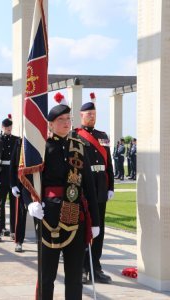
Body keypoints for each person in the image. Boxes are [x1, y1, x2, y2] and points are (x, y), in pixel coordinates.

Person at [27, 93, 100, 300]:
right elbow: (26, 178)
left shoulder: (79, 147)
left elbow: (89, 187)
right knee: (47, 275)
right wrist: (29, 202)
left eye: (69, 119)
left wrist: (95, 221)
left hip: (76, 216)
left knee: (74, 275)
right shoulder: (41, 148)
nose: (67, 123)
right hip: (48, 215)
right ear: (50, 124)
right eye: (61, 120)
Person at [75, 92, 115, 284]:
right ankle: (83, 267)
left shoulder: (103, 136)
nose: (92, 116)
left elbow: (109, 164)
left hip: (100, 189)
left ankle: (95, 267)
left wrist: (111, 186)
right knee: (85, 229)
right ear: (81, 115)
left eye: (94, 113)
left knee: (100, 230)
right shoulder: (76, 136)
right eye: (88, 113)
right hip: (84, 190)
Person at [0, 114, 19, 242]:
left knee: (14, 204)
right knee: (0, 204)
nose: (8, 128)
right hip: (1, 175)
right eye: (6, 126)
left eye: (10, 126)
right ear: (2, 127)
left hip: (13, 175)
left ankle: (13, 230)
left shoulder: (17, 140)